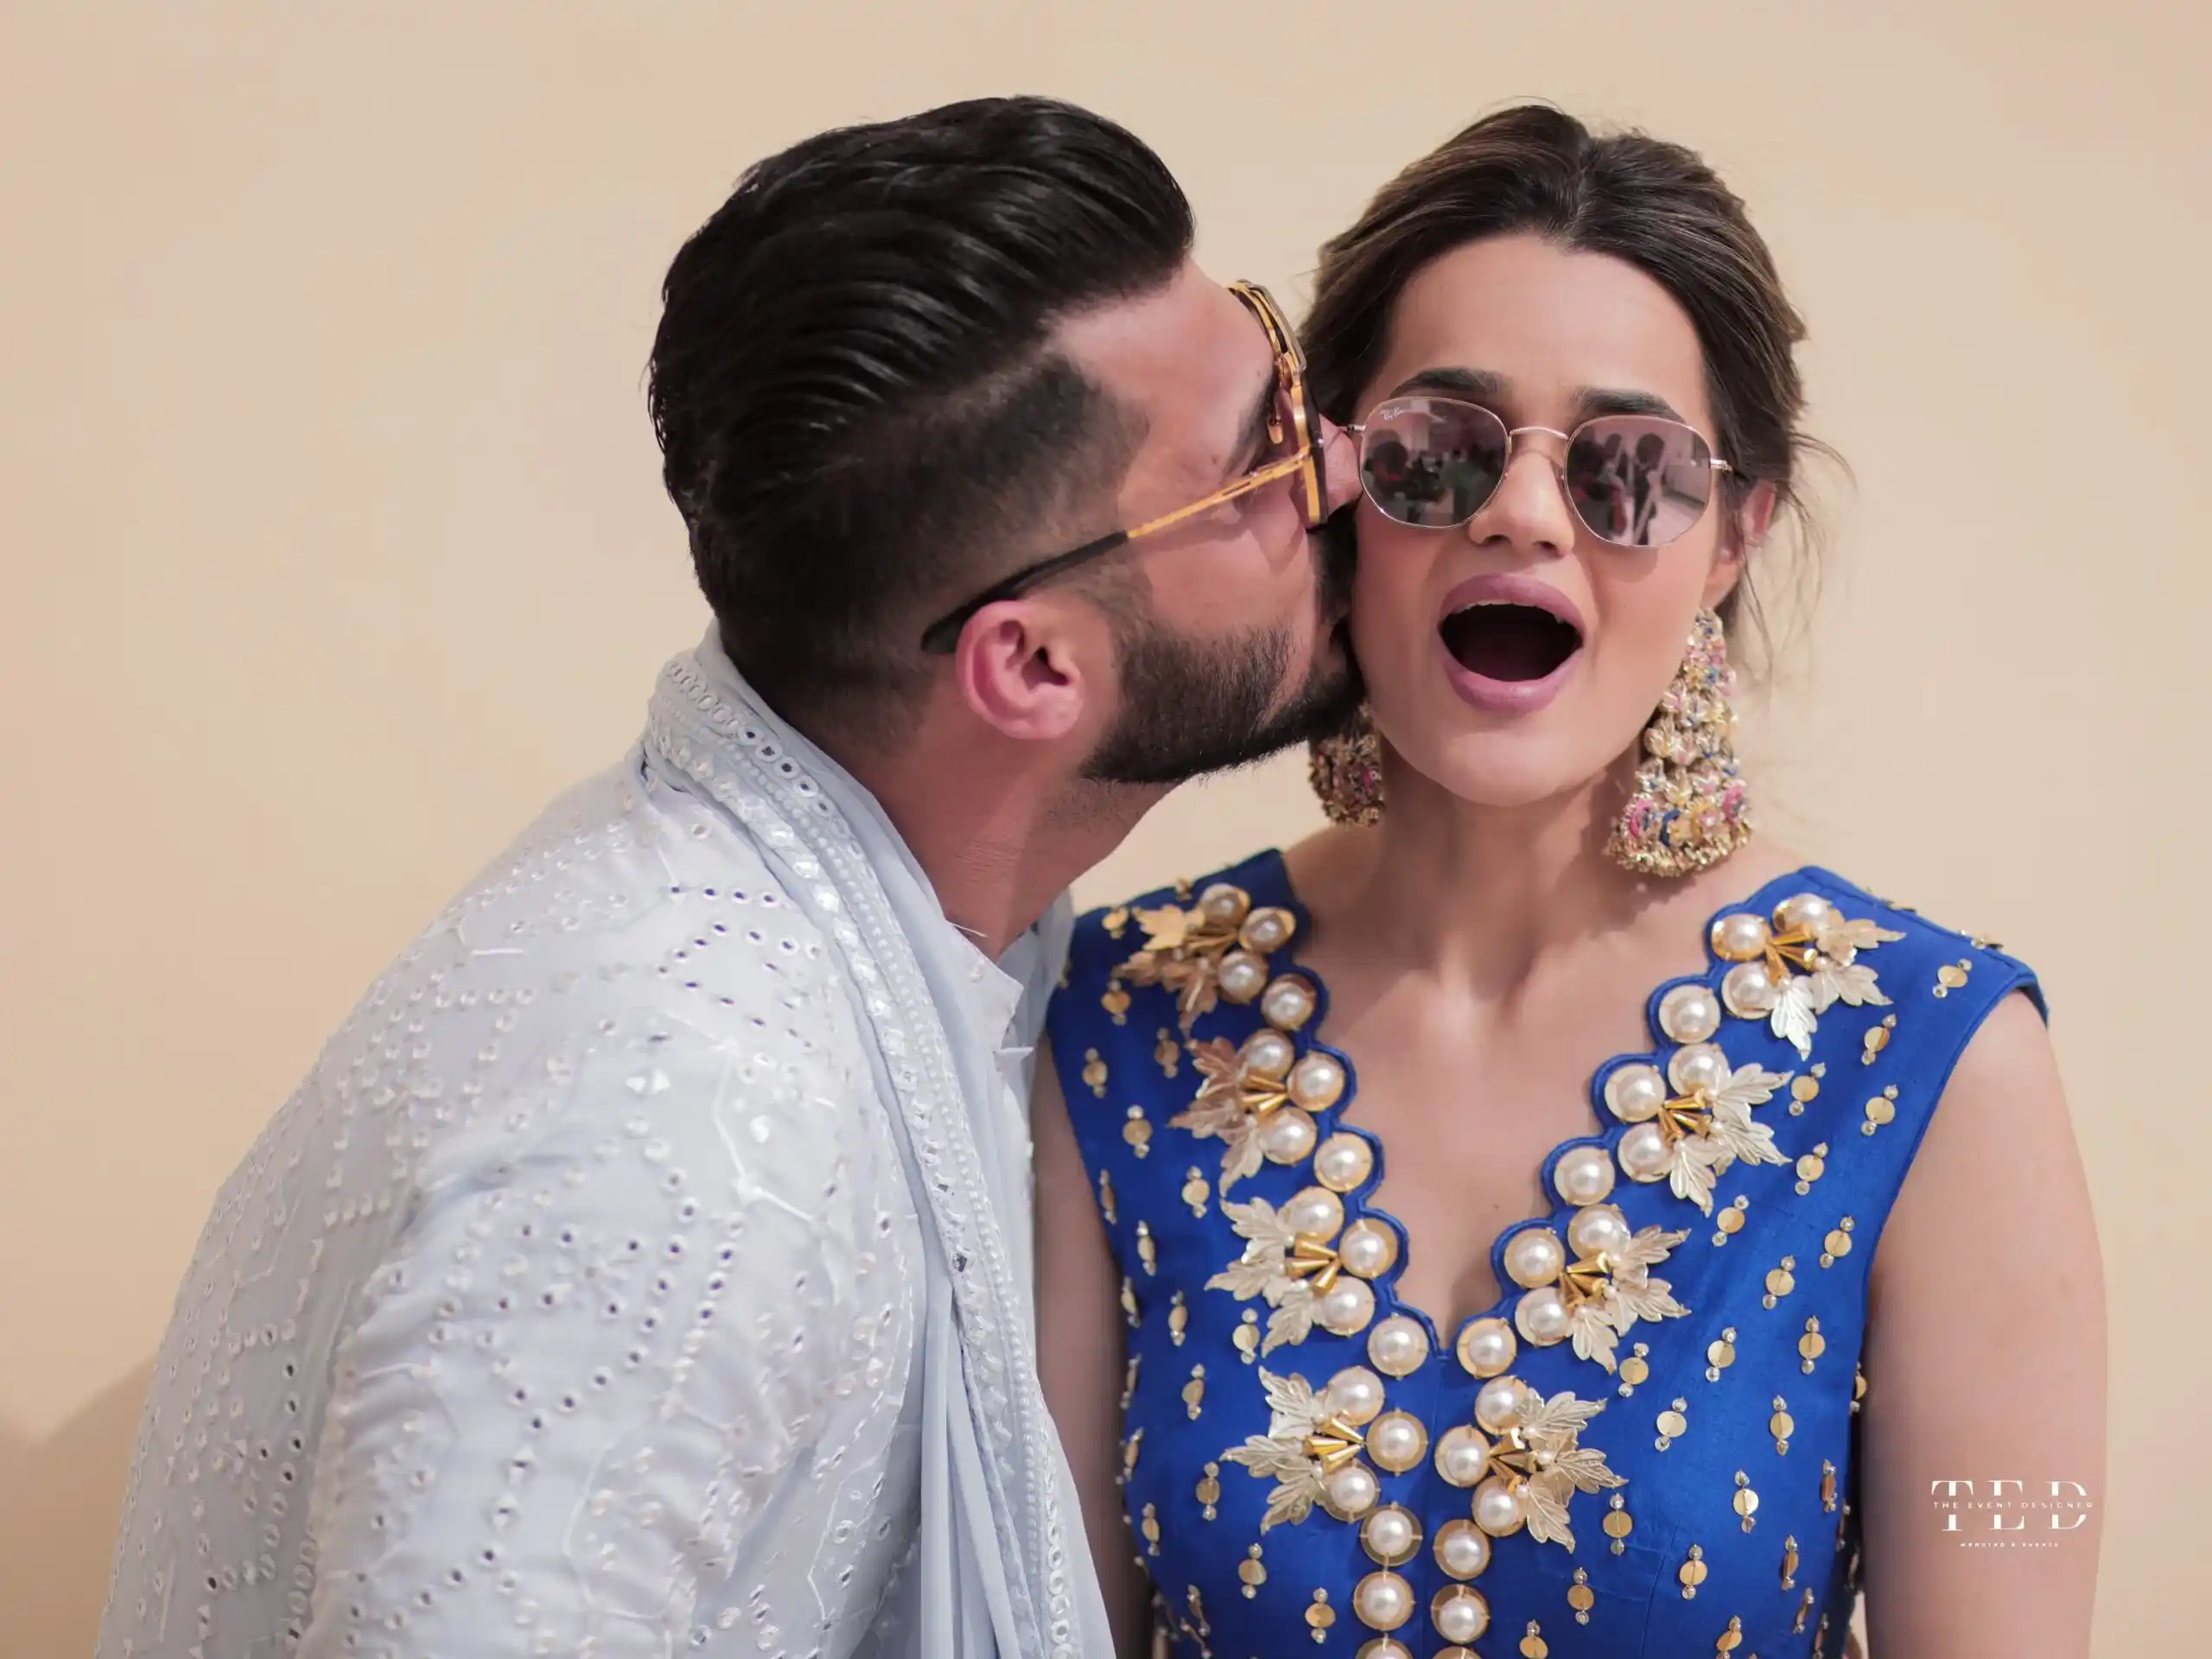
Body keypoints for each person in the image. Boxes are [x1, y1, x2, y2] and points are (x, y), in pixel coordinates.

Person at [98, 96, 1364, 1659]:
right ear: (1033, 665)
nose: (1342, 461)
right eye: (1258, 460)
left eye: (1279, 358)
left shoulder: (827, 944)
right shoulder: (689, 1112)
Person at [1037, 105, 2104, 1659]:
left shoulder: (1931, 1062)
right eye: (1437, 449)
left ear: (1732, 539)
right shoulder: (1120, 1022)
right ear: (1334, 488)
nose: (1524, 514)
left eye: (1631, 471)